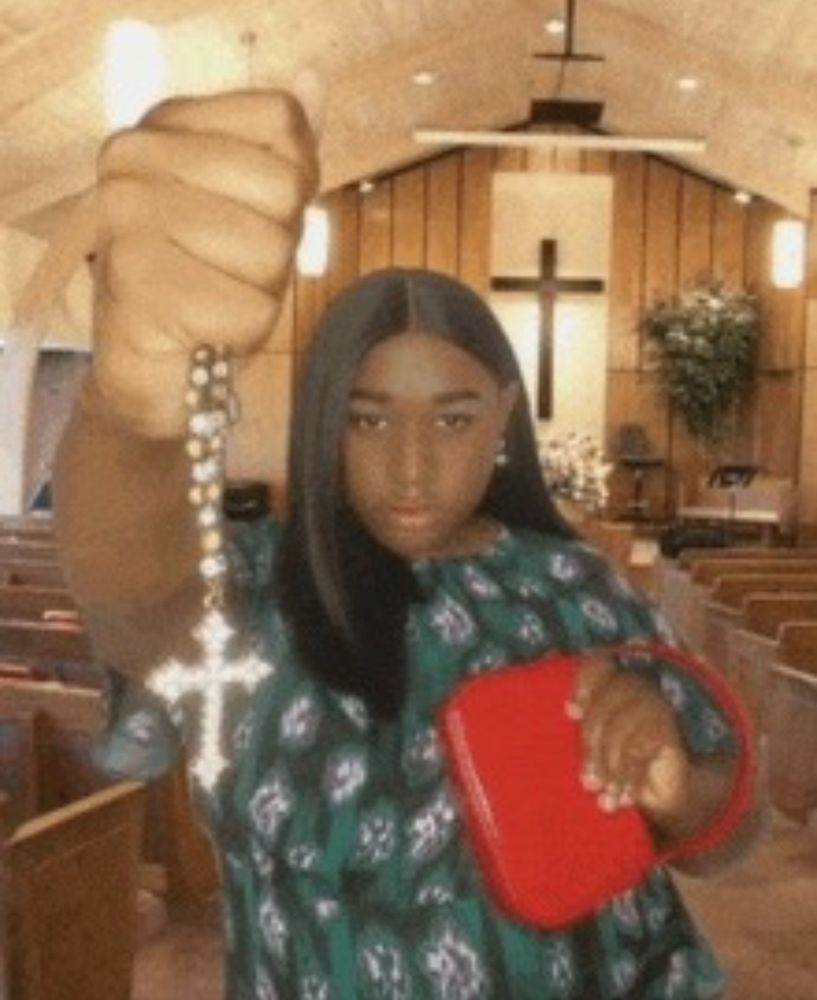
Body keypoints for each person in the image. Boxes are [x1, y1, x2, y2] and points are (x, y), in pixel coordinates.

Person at [53, 88, 762, 999]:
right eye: (369, 421)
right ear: (322, 422)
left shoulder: (571, 585)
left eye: (454, 418)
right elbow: (133, 589)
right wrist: (135, 405)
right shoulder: (256, 584)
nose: (413, 469)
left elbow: (727, 830)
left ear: (504, 416)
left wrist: (671, 784)